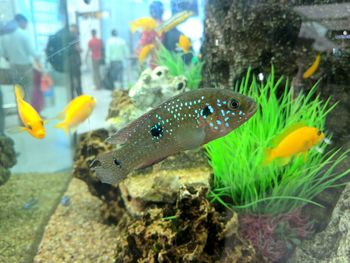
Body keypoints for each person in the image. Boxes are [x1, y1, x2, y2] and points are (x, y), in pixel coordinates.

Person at [1, 14, 41, 102]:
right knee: (28, 92)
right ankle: (27, 115)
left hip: (13, 67)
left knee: (18, 93)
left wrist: (10, 57)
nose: (26, 26)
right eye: (25, 23)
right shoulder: (23, 34)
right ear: (21, 22)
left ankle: (20, 114)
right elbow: (32, 52)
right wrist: (40, 54)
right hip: (25, 67)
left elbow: (3, 53)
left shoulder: (5, 35)